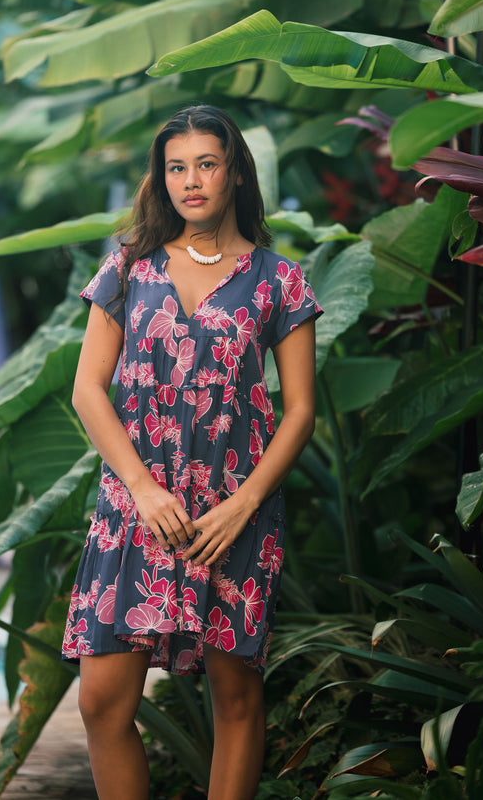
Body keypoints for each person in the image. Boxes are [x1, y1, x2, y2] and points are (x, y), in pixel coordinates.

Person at [62, 105, 322, 800]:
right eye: (177, 167)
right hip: (136, 506)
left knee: (234, 700)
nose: (191, 181)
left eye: (206, 163)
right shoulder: (128, 268)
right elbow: (89, 389)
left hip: (230, 510)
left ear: (235, 171)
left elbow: (300, 410)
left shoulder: (280, 281)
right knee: (101, 702)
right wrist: (143, 489)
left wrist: (245, 503)